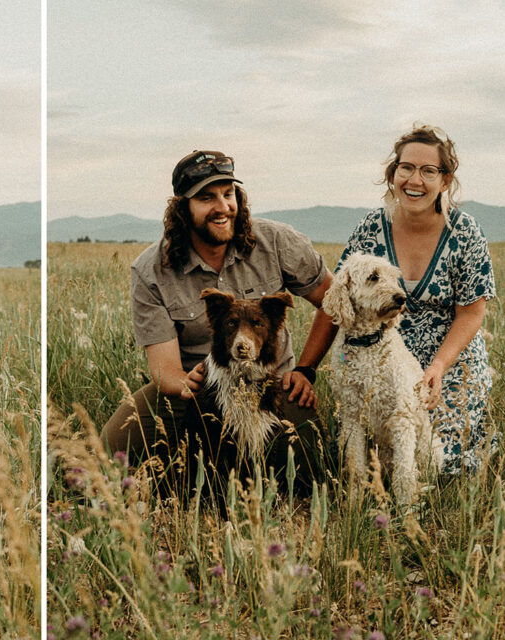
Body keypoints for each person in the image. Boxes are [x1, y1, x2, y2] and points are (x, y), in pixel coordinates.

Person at [101, 150, 333, 489]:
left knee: (315, 467)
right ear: (182, 209)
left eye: (228, 194)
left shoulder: (277, 241)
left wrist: (305, 370)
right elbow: (165, 370)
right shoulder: (151, 269)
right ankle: (179, 471)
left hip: (269, 384)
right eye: (206, 198)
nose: (223, 207)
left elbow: (335, 302)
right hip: (197, 389)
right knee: (102, 458)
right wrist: (183, 382)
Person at [296, 124, 496, 475]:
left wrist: (437, 367)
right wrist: (305, 368)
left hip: (445, 361)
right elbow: (339, 298)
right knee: (354, 455)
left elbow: (471, 314)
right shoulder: (370, 228)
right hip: (375, 352)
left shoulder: (465, 232)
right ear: (393, 173)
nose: (414, 180)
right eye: (406, 168)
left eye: (428, 171)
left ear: (445, 181)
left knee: (439, 462)